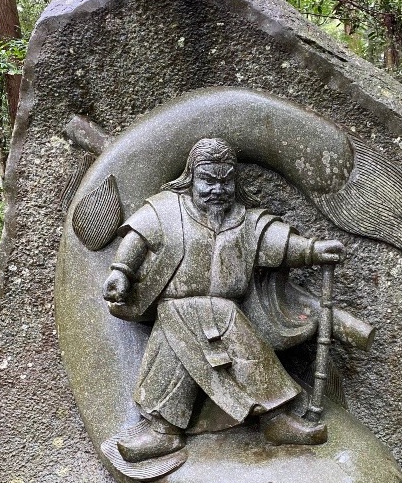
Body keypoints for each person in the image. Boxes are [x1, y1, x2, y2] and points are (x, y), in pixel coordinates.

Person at [103, 137, 345, 463]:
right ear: (191, 178)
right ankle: (163, 431)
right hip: (176, 312)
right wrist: (120, 274)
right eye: (208, 180)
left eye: (225, 180)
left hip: (228, 313)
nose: (217, 189)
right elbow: (136, 241)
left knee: (252, 359)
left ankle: (275, 419)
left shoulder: (245, 221)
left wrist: (314, 250)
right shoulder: (165, 210)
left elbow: (280, 245)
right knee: (171, 364)